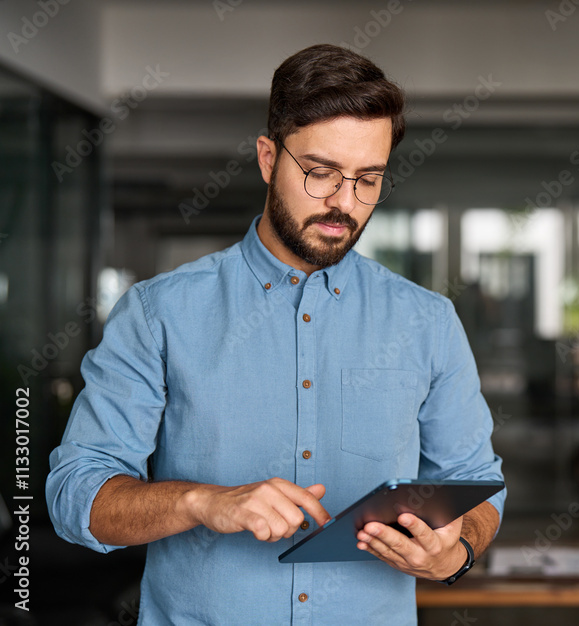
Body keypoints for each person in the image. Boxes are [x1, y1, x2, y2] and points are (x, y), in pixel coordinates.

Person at [46, 44, 504, 625]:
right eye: (320, 173)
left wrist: (455, 553)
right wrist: (202, 501)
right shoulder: (158, 313)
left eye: (368, 180)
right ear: (268, 158)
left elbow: (475, 485)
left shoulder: (428, 322)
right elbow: (75, 494)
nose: (344, 202)